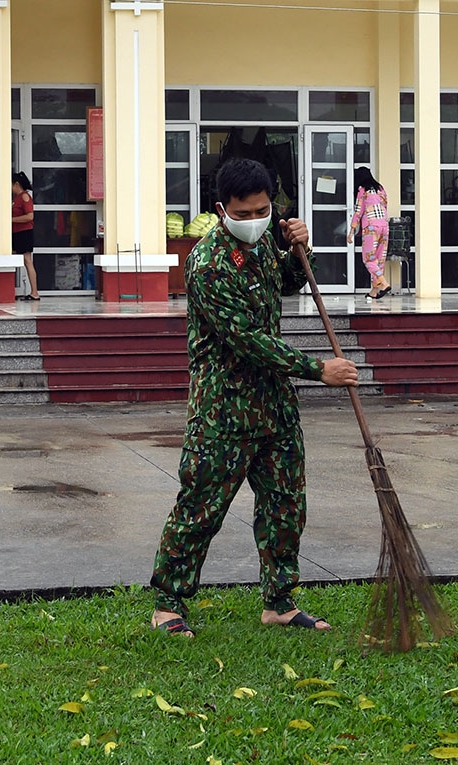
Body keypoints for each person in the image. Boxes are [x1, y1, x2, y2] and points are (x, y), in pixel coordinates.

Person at [150, 158, 359, 638]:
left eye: (262, 211)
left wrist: (300, 249)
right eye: (243, 214)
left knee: (286, 504)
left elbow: (288, 282)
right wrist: (317, 370)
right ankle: (168, 603)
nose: (253, 221)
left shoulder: (264, 244)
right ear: (221, 209)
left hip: (274, 404)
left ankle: (279, 602)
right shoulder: (207, 264)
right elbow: (246, 339)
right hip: (223, 409)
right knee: (201, 508)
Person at [347, 167, 391, 300]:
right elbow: (385, 206)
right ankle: (374, 291)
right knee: (379, 259)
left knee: (369, 259)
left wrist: (352, 231)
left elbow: (358, 211)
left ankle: (384, 283)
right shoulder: (381, 189)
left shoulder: (363, 190)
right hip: (384, 226)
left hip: (371, 227)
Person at [12, 172, 39, 301]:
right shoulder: (16, 198)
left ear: (16, 184)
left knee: (27, 260)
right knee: (15, 257)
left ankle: (34, 292)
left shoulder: (24, 196)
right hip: (16, 233)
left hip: (24, 232)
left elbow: (30, 216)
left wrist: (11, 220)